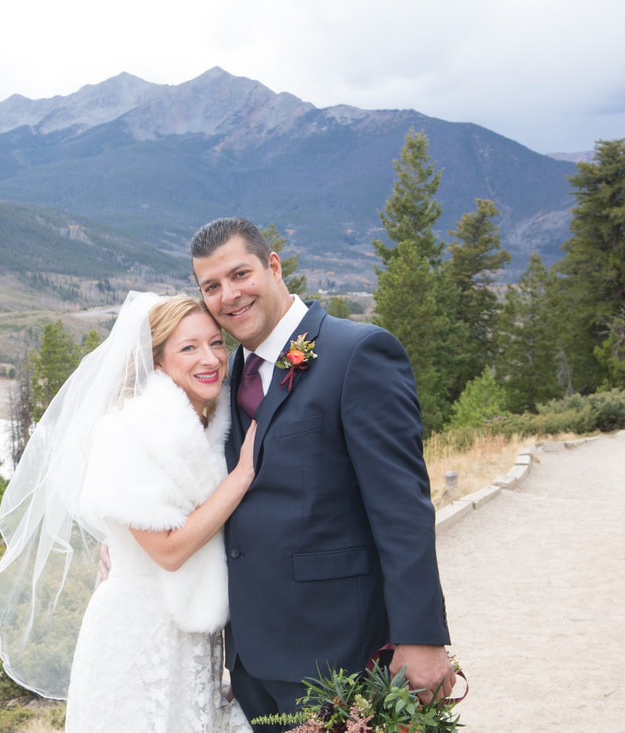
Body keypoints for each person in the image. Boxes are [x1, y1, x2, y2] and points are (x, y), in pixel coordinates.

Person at [189, 217, 456, 730]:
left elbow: (402, 509)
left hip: (338, 656)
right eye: (211, 287)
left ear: (272, 266)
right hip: (249, 665)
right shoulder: (221, 377)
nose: (229, 296)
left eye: (240, 274)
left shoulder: (357, 354)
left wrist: (421, 638)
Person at [0, 292, 255, 732]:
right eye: (189, 347)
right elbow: (168, 551)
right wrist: (242, 475)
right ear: (158, 361)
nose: (210, 358)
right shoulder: (125, 429)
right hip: (136, 632)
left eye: (216, 342)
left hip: (194, 636)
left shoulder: (211, 426)